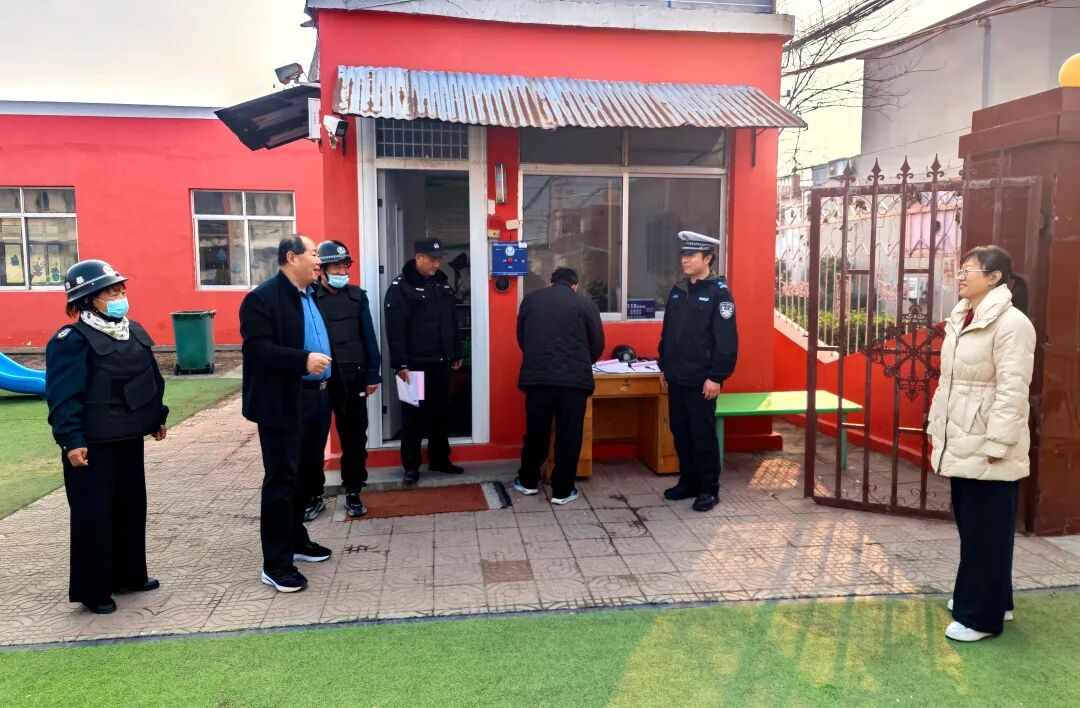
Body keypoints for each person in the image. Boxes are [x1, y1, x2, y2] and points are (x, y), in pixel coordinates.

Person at [45, 259, 168, 614]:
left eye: (121, 290)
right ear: (87, 300)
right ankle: (94, 590)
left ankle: (130, 575)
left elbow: (150, 379)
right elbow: (62, 396)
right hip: (92, 445)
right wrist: (71, 440)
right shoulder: (71, 341)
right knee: (94, 516)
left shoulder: (134, 331)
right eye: (112, 292)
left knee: (131, 508)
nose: (120, 296)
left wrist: (156, 417)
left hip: (128, 438)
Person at [928, 245, 1035, 642]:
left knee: (986, 532)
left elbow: (1012, 390)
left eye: (969, 270)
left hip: (988, 444)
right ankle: (996, 602)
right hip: (964, 439)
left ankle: (980, 618)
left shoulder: (1012, 324)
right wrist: (938, 428)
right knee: (979, 530)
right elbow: (950, 384)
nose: (960, 276)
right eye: (960, 269)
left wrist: (997, 443)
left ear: (994, 278)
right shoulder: (964, 317)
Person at [240, 234, 337, 594]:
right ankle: (276, 564)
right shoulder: (262, 299)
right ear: (292, 257)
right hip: (284, 401)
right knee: (282, 480)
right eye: (314, 254)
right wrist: (302, 361)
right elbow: (257, 350)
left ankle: (297, 539)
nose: (319, 260)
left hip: (317, 399)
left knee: (307, 475)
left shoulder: (312, 294)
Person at [657, 230, 738, 513]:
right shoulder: (678, 291)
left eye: (691, 255)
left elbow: (726, 341)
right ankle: (688, 482)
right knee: (680, 431)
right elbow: (668, 333)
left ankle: (708, 489)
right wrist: (664, 366)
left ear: (708, 259)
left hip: (702, 379)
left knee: (702, 433)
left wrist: (716, 376)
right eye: (683, 255)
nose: (685, 260)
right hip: (676, 376)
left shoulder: (719, 294)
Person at [512, 267, 605, 505]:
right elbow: (597, 343)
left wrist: (537, 357)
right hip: (574, 382)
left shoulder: (531, 300)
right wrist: (583, 362)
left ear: (551, 282)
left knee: (536, 431)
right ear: (575, 285)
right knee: (569, 434)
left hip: (538, 379)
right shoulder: (585, 304)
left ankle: (528, 481)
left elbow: (522, 337)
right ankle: (563, 490)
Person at [384, 237, 464, 485]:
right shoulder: (401, 287)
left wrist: (456, 353)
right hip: (414, 365)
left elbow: (452, 321)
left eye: (439, 259)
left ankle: (440, 459)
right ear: (418, 257)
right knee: (413, 417)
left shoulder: (442, 283)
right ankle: (411, 467)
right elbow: (395, 330)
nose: (437, 264)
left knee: (441, 412)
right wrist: (400, 364)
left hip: (441, 362)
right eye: (432, 259)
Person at [313, 240, 381, 519]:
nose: (342, 272)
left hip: (354, 376)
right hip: (320, 376)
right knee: (314, 438)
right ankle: (313, 494)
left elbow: (369, 336)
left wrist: (373, 373)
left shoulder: (357, 296)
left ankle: (353, 491)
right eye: (336, 268)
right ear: (322, 270)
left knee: (354, 437)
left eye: (345, 267)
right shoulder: (309, 297)